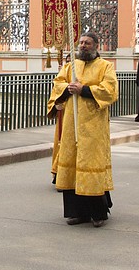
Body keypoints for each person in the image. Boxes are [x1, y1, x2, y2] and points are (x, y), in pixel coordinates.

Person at [47, 32, 118, 227]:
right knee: (72, 166)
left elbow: (110, 90)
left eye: (87, 43)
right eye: (81, 43)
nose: (83, 46)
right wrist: (67, 88)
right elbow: (58, 83)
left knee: (91, 166)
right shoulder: (72, 66)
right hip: (72, 124)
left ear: (96, 45)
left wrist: (84, 90)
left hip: (94, 126)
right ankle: (77, 212)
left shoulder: (105, 67)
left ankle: (98, 213)